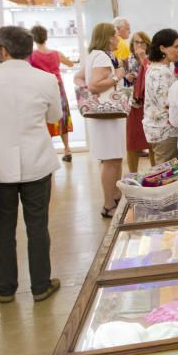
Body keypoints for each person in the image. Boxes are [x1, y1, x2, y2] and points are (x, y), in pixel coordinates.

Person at [0, 26, 62, 303]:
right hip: (37, 162)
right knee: (38, 226)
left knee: (2, 229)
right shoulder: (45, 79)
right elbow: (55, 115)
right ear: (29, 50)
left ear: (1, 50)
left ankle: (5, 289)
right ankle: (40, 285)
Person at [75, 22, 127, 218]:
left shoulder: (94, 56)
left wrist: (88, 91)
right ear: (107, 37)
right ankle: (108, 204)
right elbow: (95, 85)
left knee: (113, 158)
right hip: (107, 116)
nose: (118, 39)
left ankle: (115, 196)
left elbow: (78, 78)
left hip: (105, 115)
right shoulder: (102, 57)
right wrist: (116, 77)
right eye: (115, 35)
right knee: (111, 160)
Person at [29, 24, 77, 162]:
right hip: (58, 87)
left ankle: (48, 151)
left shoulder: (32, 55)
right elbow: (70, 64)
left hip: (41, 88)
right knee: (62, 117)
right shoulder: (56, 53)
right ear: (46, 37)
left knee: (44, 117)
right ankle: (67, 149)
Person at [143, 28, 178, 163]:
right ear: (162, 48)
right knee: (166, 173)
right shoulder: (160, 72)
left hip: (160, 128)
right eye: (176, 46)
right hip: (166, 131)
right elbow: (166, 103)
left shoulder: (160, 68)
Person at [125, 31, 154, 172]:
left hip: (149, 106)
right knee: (132, 143)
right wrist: (126, 78)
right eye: (137, 42)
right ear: (132, 44)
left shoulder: (152, 61)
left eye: (143, 42)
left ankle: (156, 172)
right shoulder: (126, 61)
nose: (140, 45)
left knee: (152, 142)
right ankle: (132, 175)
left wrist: (143, 58)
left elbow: (153, 75)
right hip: (132, 105)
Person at [112, 17, 132, 82]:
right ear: (118, 29)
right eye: (127, 29)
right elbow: (123, 68)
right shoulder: (122, 44)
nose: (130, 32)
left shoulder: (111, 43)